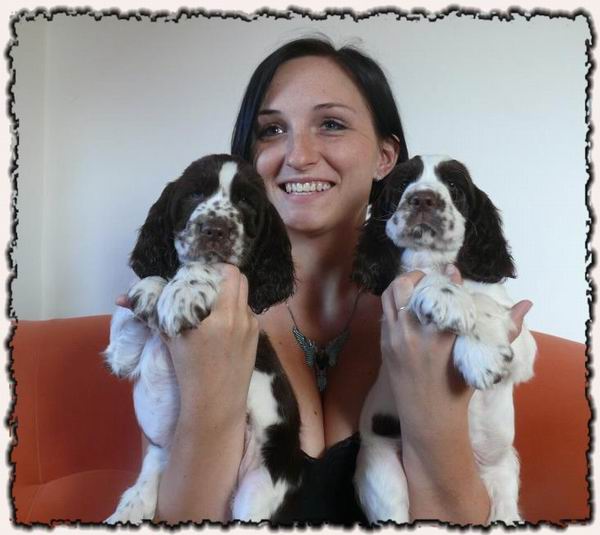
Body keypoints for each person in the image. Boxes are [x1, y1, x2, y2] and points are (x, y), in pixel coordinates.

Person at [124, 36, 532, 525]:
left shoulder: (455, 309)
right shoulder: (190, 302)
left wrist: (434, 407)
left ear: (385, 157)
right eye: (272, 130)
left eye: (331, 124)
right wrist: (208, 395)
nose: (298, 155)